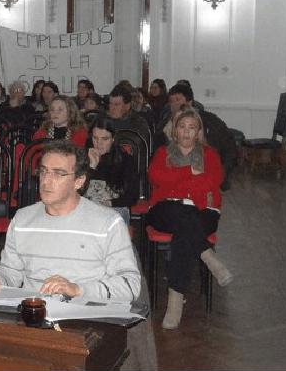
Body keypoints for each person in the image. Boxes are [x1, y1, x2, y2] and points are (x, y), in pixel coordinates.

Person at [0, 140, 141, 303]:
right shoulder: (22, 220)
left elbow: (130, 286)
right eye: (44, 171)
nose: (46, 180)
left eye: (58, 173)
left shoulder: (107, 223)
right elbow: (11, 272)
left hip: (86, 318)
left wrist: (78, 289)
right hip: (35, 314)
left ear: (79, 181)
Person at [147, 107, 233, 329]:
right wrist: (188, 174)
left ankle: (175, 303)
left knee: (184, 231)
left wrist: (175, 183)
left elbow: (212, 181)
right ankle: (208, 255)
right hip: (167, 209)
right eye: (182, 127)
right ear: (175, 130)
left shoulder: (210, 155)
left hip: (204, 211)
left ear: (198, 132)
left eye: (192, 128)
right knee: (183, 216)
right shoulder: (162, 153)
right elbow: (156, 176)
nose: (186, 132)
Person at [154, 82, 238, 190]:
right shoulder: (164, 125)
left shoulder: (210, 121)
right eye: (171, 101)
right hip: (173, 180)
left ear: (189, 102)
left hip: (203, 178)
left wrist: (222, 172)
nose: (174, 104)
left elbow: (229, 148)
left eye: (178, 100)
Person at [85, 116, 140, 224]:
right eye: (95, 138)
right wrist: (91, 167)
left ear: (113, 138)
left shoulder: (125, 160)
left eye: (104, 139)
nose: (99, 143)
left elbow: (132, 196)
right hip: (87, 208)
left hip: (115, 207)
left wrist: (109, 203)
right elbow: (75, 192)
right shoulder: (83, 158)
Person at [106, 82, 152, 150]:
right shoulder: (103, 119)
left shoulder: (138, 123)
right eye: (110, 104)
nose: (112, 108)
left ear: (127, 106)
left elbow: (136, 148)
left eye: (117, 104)